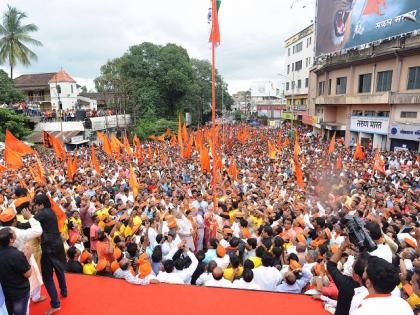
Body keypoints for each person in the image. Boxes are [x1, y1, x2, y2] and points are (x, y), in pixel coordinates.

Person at [33, 194, 67, 315]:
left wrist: (27, 217)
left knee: (47, 276)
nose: (35, 207)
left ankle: (55, 304)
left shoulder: (42, 213)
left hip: (49, 247)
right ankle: (64, 291)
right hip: (57, 243)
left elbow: (29, 223)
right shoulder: (51, 211)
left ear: (41, 204)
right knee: (59, 269)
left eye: (36, 205)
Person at [0, 228, 32, 315]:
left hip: (5, 291)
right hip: (19, 293)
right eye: (13, 233)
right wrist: (28, 258)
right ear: (10, 239)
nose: (15, 234)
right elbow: (28, 274)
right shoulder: (16, 255)